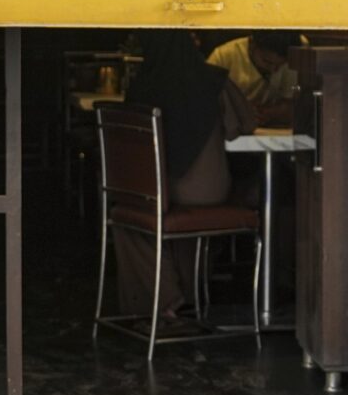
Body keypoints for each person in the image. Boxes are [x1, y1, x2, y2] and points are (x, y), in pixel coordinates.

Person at [112, 30, 256, 320]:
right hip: (206, 191)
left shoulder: (140, 87)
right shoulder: (213, 81)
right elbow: (244, 125)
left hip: (154, 190)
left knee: (129, 220)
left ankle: (165, 301)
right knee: (243, 194)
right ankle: (189, 296)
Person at [207, 32, 299, 127]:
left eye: (280, 65)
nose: (273, 70)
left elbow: (292, 104)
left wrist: (271, 113)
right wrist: (238, 111)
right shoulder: (222, 56)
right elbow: (205, 101)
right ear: (252, 45)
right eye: (267, 62)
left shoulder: (293, 55)